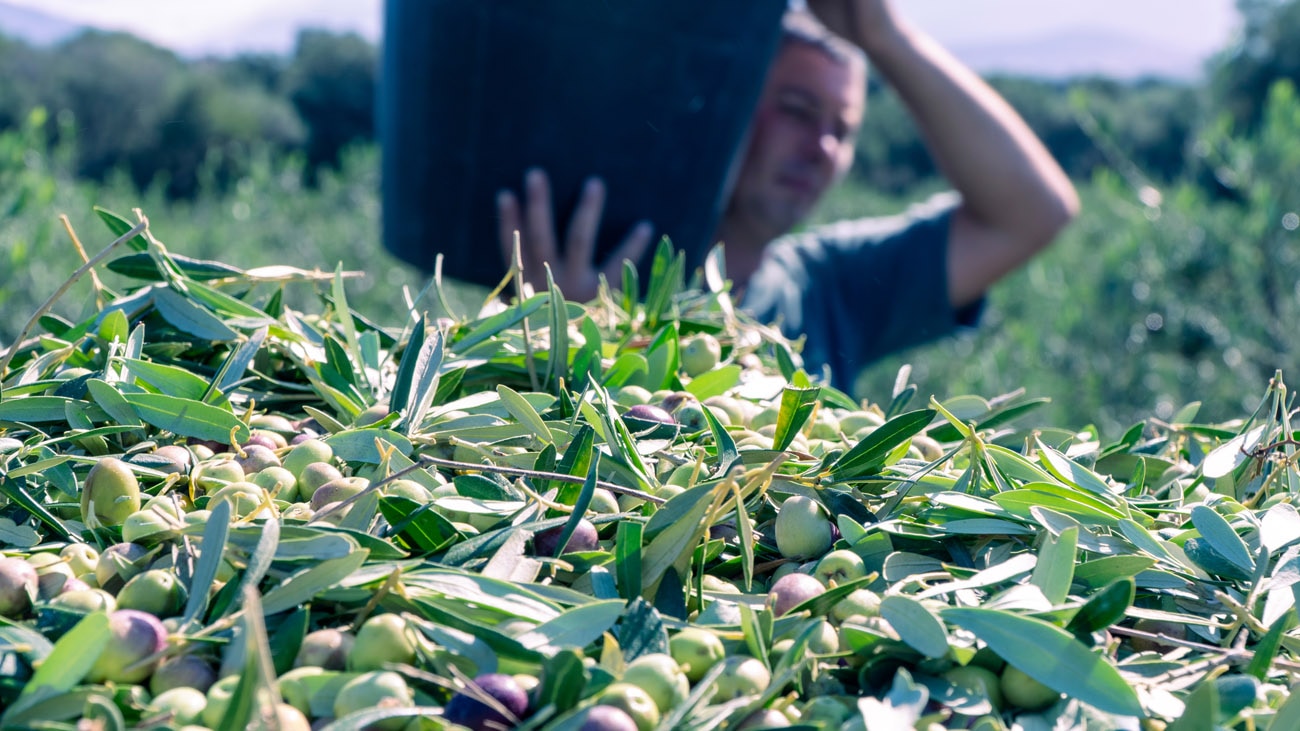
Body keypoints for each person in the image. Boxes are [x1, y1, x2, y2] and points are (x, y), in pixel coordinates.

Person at [497, 0, 1078, 392]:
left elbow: (1032, 213)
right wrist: (569, 339)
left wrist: (885, 35)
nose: (823, 146)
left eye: (843, 129)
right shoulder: (598, 271)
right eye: (798, 112)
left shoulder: (832, 285)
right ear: (725, 109)